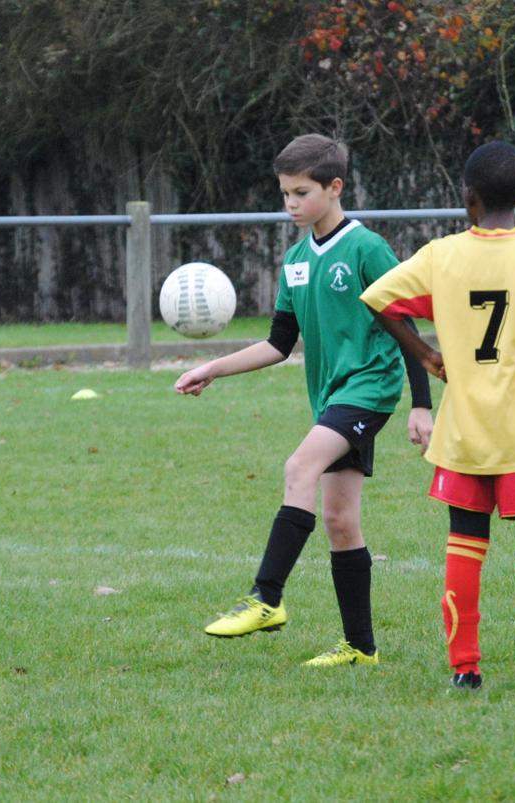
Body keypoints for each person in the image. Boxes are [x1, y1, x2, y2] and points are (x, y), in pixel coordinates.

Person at [359, 140, 515, 695]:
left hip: (464, 434)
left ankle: (465, 670)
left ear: (468, 197)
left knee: (463, 543)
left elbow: (379, 298)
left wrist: (427, 354)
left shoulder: (441, 255)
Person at [175, 134, 434, 666]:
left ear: (334, 187)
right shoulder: (295, 259)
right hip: (332, 397)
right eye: (285, 194)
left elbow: (406, 327)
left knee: (299, 467)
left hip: (369, 388)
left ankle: (266, 596)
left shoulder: (366, 249)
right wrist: (213, 369)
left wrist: (421, 404)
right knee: (341, 521)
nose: (290, 204)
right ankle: (361, 648)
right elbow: (278, 344)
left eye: (300, 192)